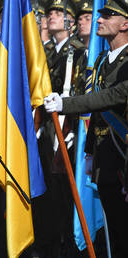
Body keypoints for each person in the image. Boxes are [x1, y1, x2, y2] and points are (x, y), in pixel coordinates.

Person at [44, 0, 128, 256]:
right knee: (114, 228)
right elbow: (97, 110)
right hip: (104, 155)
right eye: (100, 15)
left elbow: (111, 97)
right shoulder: (102, 59)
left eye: (107, 16)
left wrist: (65, 104)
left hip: (123, 154)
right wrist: (90, 149)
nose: (98, 20)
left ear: (125, 24)